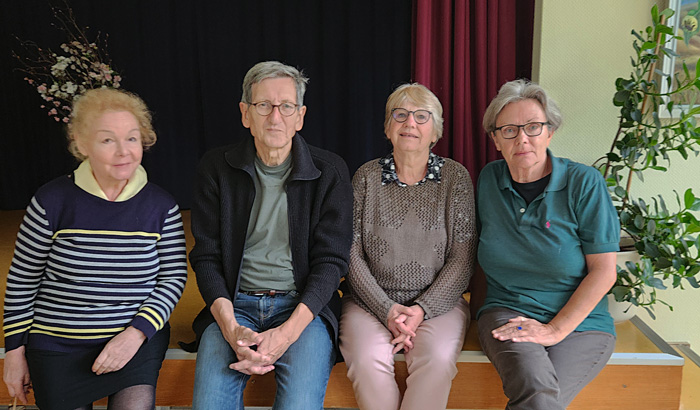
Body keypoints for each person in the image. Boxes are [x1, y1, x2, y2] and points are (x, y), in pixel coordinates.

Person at [2, 87, 188, 410]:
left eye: (132, 138)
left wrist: (136, 333)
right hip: (58, 345)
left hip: (135, 340)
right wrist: (14, 353)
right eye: (107, 140)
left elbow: (173, 278)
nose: (123, 152)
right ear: (82, 144)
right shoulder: (52, 201)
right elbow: (23, 281)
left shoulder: (162, 206)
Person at [188, 61, 353, 410]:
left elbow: (331, 262)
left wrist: (286, 335)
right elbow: (206, 257)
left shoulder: (329, 171)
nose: (275, 117)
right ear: (245, 113)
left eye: (286, 107)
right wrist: (231, 328)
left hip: (302, 309)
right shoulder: (216, 168)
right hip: (235, 306)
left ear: (300, 116)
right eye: (264, 106)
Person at [476, 79, 619, 409]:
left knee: (542, 399)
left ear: (550, 132)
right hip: (509, 312)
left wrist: (555, 330)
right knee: (539, 394)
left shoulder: (584, 183)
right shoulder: (489, 180)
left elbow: (604, 272)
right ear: (495, 139)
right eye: (509, 130)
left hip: (582, 323)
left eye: (533, 127)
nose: (522, 138)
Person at [339, 83, 476, 410]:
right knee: (366, 358)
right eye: (399, 115)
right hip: (369, 302)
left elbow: (462, 258)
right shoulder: (366, 177)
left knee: (438, 360)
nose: (409, 123)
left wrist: (421, 310)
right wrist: (386, 309)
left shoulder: (455, 178)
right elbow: (350, 253)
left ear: (436, 131)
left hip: (438, 304)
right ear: (388, 127)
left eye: (421, 116)